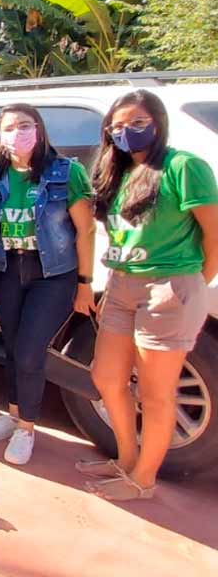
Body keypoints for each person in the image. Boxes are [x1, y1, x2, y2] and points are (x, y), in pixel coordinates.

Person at [79, 90, 218, 501]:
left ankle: (143, 480)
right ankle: (125, 458)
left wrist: (188, 286)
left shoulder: (183, 167)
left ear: (157, 124)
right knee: (106, 377)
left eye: (137, 123)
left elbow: (214, 235)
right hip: (122, 282)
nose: (127, 133)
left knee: (157, 393)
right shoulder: (118, 171)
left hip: (168, 287)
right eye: (117, 127)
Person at [0, 104, 96, 465]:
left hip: (52, 275)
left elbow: (85, 230)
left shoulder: (66, 173)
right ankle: (14, 414)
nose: (18, 134)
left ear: (39, 129)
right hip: (8, 270)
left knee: (30, 351)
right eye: (9, 128)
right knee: (12, 348)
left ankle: (26, 429)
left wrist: (85, 284)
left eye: (25, 126)